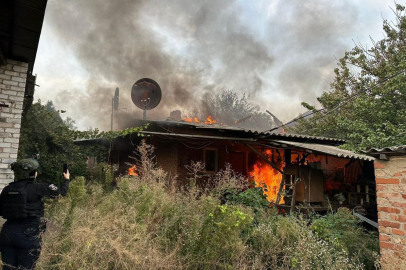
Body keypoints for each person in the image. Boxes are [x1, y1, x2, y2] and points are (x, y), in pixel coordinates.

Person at [0, 158, 70, 270]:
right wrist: (66, 179)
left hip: (7, 234)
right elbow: (61, 193)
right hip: (27, 235)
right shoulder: (37, 188)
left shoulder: (7, 189)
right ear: (32, 173)